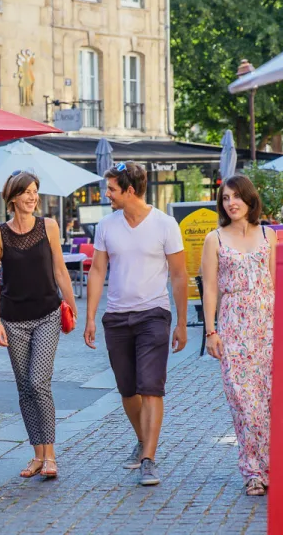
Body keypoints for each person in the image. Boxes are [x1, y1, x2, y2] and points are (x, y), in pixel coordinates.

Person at [83, 162, 188, 486]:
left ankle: (149, 459)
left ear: (129, 190)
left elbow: (179, 275)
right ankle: (143, 440)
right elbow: (98, 271)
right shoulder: (106, 226)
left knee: (150, 386)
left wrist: (182, 323)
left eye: (112, 189)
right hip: (116, 318)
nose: (107, 194)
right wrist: (90, 317)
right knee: (128, 389)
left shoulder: (165, 225)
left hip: (153, 315)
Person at [0, 170, 78, 480]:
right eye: (26, 191)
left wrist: (73, 305)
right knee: (24, 388)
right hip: (13, 319)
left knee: (39, 382)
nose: (32, 196)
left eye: (35, 191)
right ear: (13, 197)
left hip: (47, 314)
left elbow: (60, 270)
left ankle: (50, 454)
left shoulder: (48, 226)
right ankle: (37, 454)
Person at [200, 174, 277, 497]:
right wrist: (211, 331)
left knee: (271, 401)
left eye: (236, 197)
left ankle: (274, 466)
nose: (231, 203)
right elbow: (211, 288)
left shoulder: (269, 235)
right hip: (233, 330)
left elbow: (277, 280)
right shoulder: (213, 239)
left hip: (269, 328)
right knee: (244, 403)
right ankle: (253, 470)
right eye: (226, 197)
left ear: (249, 200)